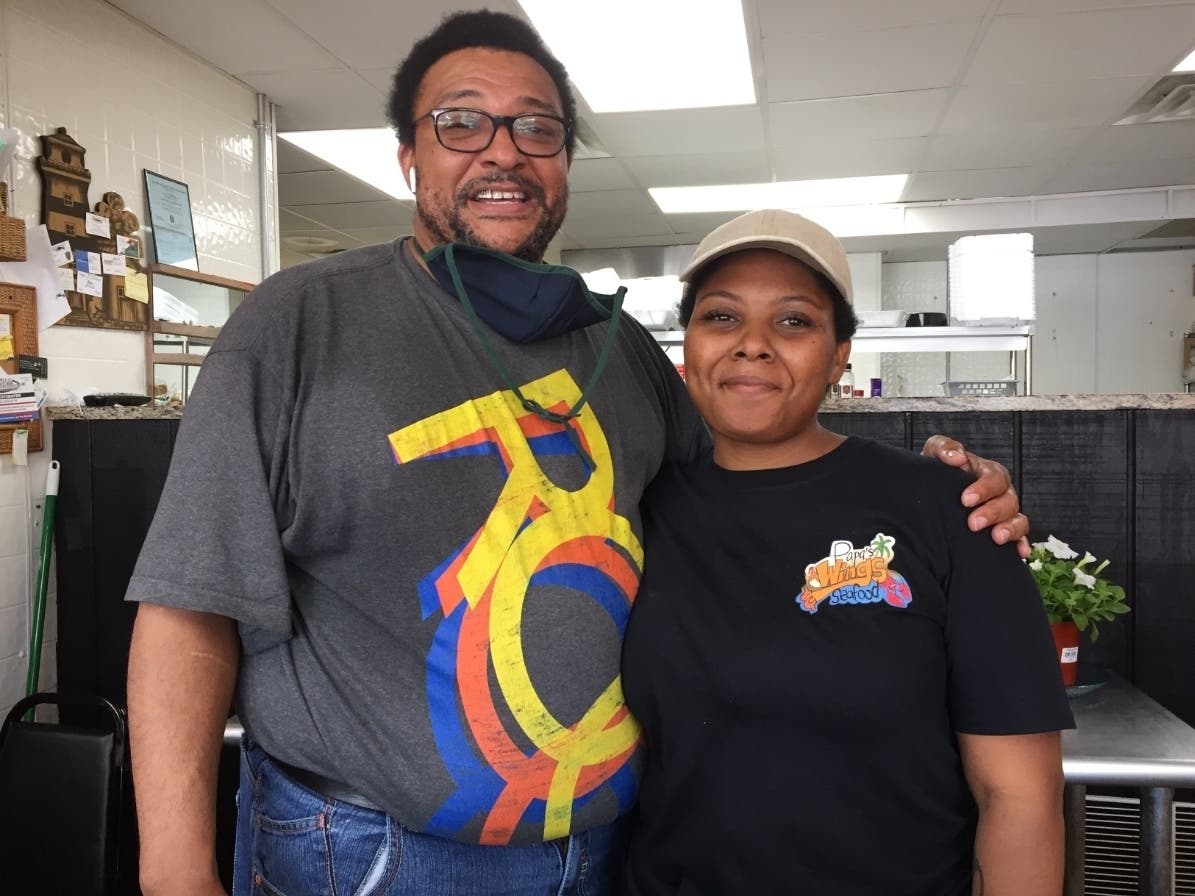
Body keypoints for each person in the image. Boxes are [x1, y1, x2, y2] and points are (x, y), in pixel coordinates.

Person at [124, 11, 1031, 896]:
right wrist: (173, 869)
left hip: (608, 849)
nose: (503, 150)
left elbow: (748, 480)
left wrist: (936, 490)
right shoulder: (298, 325)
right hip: (369, 850)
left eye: (537, 128)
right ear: (408, 157)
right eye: (460, 121)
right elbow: (188, 607)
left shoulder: (617, 350)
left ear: (561, 167)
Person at [620, 209, 1073, 896]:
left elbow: (1018, 796)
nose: (752, 345)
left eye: (793, 321)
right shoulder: (638, 511)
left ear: (839, 356)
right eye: (721, 317)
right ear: (687, 349)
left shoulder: (947, 510)